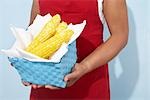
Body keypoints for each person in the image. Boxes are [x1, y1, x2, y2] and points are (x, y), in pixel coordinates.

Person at [23, 0, 129, 99]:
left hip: (90, 85)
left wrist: (84, 67)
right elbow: (34, 29)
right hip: (44, 85)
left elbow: (120, 35)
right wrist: (27, 65)